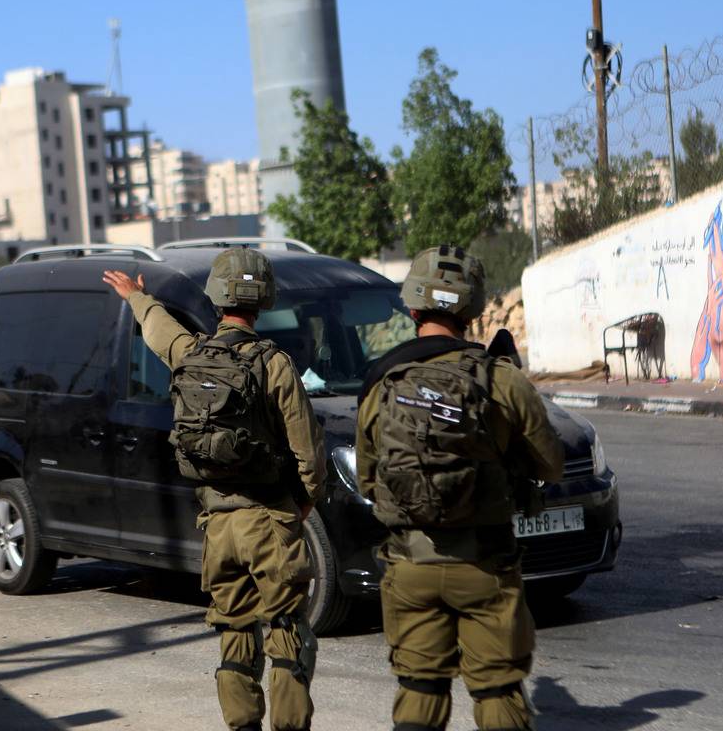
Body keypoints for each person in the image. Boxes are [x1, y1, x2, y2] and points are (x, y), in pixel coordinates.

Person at [103, 247, 326, 731]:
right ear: (263, 300)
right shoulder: (275, 365)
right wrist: (303, 503)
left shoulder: (193, 354)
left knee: (234, 627)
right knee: (287, 630)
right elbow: (309, 453)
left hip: (218, 526)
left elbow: (163, 334)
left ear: (216, 297)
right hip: (270, 519)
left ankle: (241, 724)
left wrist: (138, 298)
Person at [355, 245, 564, 731]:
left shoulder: (382, 380)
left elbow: (369, 479)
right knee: (496, 689)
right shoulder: (501, 378)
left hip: (410, 566)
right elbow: (551, 465)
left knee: (420, 688)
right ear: (473, 311)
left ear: (411, 308)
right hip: (484, 566)